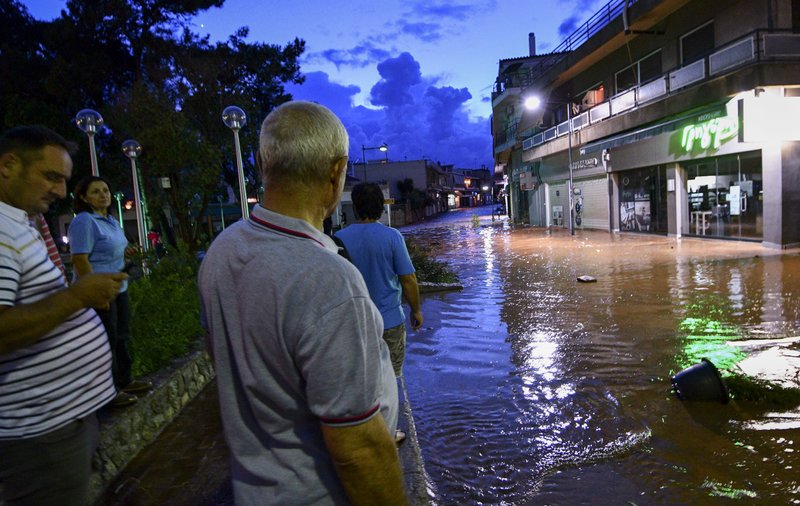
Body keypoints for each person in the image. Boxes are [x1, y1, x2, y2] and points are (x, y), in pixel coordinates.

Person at [199, 101, 407, 505]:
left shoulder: (221, 250)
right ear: (336, 171)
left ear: (263, 163)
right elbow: (358, 450)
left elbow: (221, 356)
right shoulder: (329, 280)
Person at [0, 125, 127, 505]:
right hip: (41, 436)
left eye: (63, 180)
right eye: (51, 176)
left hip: (63, 423)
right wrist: (77, 296)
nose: (59, 190)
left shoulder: (18, 222)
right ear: (8, 165)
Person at [68, 176, 152, 407]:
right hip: (99, 292)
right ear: (84, 197)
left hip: (118, 288)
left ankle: (125, 381)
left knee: (122, 337)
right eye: (95, 192)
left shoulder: (111, 221)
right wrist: (93, 291)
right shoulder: (85, 221)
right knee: (106, 340)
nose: (103, 195)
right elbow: (80, 259)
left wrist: (127, 255)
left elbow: (111, 251)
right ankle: (108, 391)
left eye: (105, 190)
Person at [335, 182, 423, 378]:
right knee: (392, 380)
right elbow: (408, 279)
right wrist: (416, 310)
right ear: (381, 206)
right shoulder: (392, 237)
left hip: (355, 325)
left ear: (355, 206)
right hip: (390, 322)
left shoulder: (338, 239)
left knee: (362, 381)